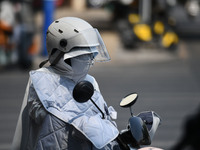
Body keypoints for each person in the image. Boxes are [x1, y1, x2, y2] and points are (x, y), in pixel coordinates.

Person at [12, 17, 123, 150]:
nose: (91, 61)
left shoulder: (90, 81)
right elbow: (26, 127)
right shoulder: (42, 80)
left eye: (92, 55)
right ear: (61, 55)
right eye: (83, 56)